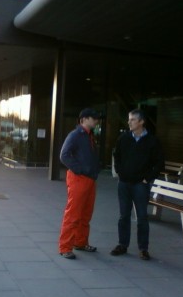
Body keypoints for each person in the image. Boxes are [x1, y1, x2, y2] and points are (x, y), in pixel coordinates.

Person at [111, 109, 164, 261]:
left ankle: (143, 249)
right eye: (129, 119)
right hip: (124, 184)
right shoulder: (123, 138)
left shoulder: (152, 141)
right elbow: (117, 156)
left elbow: (159, 162)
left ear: (141, 122)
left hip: (141, 185)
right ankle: (122, 245)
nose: (129, 122)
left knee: (142, 217)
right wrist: (121, 173)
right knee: (124, 216)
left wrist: (148, 178)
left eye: (133, 119)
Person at [59, 108, 101, 260]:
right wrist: (80, 170)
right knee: (73, 214)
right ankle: (65, 247)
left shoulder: (89, 136)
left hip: (89, 179)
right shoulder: (76, 135)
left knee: (85, 214)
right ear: (83, 119)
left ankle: (80, 242)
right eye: (93, 118)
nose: (96, 120)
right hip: (79, 179)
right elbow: (64, 155)